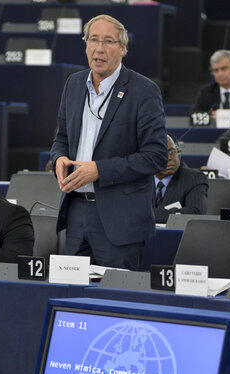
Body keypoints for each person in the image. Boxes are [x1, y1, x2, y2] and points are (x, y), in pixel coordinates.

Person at [50, 14, 168, 270]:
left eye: (109, 41)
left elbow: (157, 156)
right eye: (93, 40)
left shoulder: (144, 91)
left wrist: (99, 171)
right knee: (73, 297)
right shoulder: (73, 84)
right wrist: (58, 157)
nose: (99, 48)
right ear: (85, 45)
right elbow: (62, 138)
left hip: (120, 219)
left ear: (123, 48)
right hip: (76, 212)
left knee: (115, 301)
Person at [153, 135, 209, 224]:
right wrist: (175, 213)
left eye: (172, 151)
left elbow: (195, 214)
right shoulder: (138, 179)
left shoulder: (194, 178)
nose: (169, 158)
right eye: (161, 154)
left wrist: (148, 214)